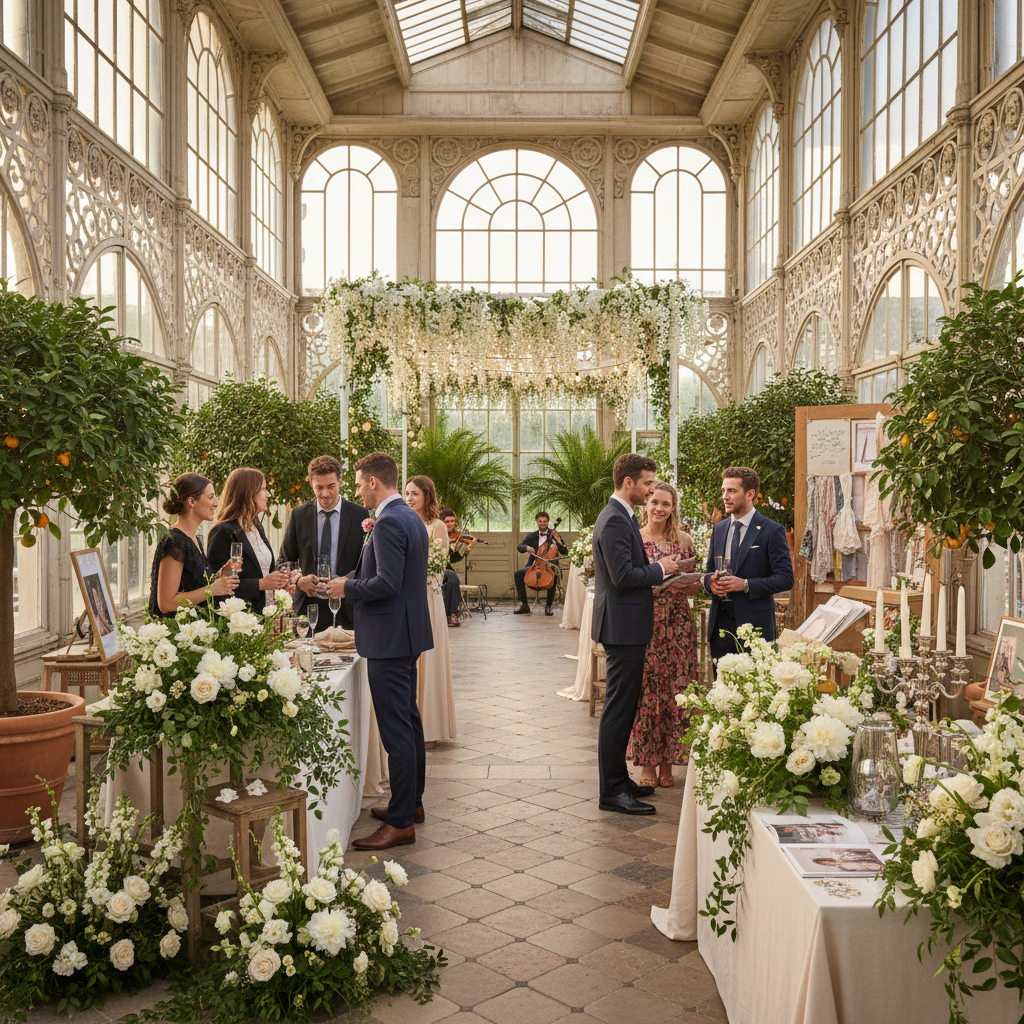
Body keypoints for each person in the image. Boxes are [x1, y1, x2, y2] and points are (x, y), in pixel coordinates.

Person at [327, 452, 432, 851]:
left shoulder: (388, 522)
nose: (355, 492)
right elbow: (391, 575)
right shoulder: (407, 517)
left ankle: (402, 822)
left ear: (373, 482)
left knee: (397, 732)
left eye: (356, 483)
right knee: (409, 721)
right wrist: (347, 579)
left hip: (389, 639)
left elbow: (387, 583)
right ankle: (412, 804)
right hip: (404, 634)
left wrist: (346, 589)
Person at [591, 454, 689, 815]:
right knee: (617, 710)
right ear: (628, 482)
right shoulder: (615, 519)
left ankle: (620, 780)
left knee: (625, 706)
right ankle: (612, 791)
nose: (651, 491)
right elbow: (624, 576)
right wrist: (660, 568)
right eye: (648, 483)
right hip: (622, 626)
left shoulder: (620, 515)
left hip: (625, 623)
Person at [627, 481, 702, 788]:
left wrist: (689, 583)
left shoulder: (683, 540)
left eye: (666, 504)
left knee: (677, 691)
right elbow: (629, 579)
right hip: (646, 620)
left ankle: (669, 762)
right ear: (646, 503)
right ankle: (647, 763)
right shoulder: (636, 538)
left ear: (673, 508)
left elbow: (697, 585)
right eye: (654, 502)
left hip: (679, 622)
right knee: (647, 691)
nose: (659, 508)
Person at [703, 466, 794, 663]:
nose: (725, 496)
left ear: (750, 493)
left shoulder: (771, 530)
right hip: (720, 626)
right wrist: (710, 582)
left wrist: (745, 584)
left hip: (756, 628)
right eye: (724, 490)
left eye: (732, 491)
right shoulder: (718, 529)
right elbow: (709, 571)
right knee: (722, 690)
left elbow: (786, 578)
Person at [279, 455, 365, 629]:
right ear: (311, 484)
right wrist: (298, 581)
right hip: (308, 611)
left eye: (331, 486)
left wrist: (348, 581)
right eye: (319, 487)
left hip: (348, 611)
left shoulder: (360, 515)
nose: (325, 494)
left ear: (340, 481)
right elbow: (283, 562)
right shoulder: (299, 515)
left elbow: (367, 564)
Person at [405, 478, 457, 747]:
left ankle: (429, 729)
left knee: (429, 659)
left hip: (428, 596)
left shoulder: (436, 526)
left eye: (415, 493)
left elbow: (438, 566)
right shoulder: (403, 521)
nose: (410, 498)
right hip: (407, 596)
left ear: (427, 496)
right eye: (406, 493)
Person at [148, 473, 238, 618]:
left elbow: (192, 586)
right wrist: (212, 589)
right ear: (192, 502)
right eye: (210, 497)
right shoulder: (175, 541)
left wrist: (218, 577)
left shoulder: (194, 539)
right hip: (178, 634)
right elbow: (166, 603)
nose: (216, 502)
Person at [207, 468, 290, 610]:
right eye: (263, 489)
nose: (268, 495)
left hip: (265, 615)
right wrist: (261, 584)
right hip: (240, 620)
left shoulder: (256, 527)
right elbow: (219, 587)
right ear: (248, 493)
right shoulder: (223, 531)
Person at [514, 511, 568, 615]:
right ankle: (524, 605)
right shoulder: (532, 536)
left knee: (553, 575)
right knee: (518, 574)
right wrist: (526, 547)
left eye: (544, 521)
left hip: (550, 565)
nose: (542, 523)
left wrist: (557, 541)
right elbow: (519, 547)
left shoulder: (554, 534)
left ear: (548, 522)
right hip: (535, 565)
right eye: (540, 521)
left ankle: (548, 606)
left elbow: (564, 551)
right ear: (537, 522)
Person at [441, 508, 467, 626]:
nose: (450, 524)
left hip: (446, 567)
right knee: (451, 578)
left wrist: (463, 549)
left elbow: (454, 559)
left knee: (452, 579)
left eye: (452, 521)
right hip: (434, 566)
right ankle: (451, 614)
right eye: (447, 521)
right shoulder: (436, 533)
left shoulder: (456, 536)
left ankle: (452, 613)